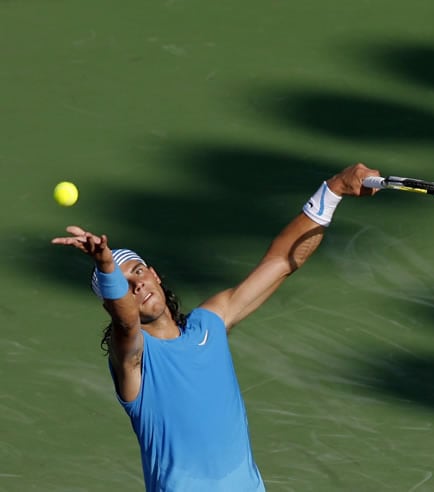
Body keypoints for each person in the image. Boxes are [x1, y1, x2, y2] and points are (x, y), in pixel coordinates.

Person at [51, 163, 380, 492]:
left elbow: (281, 262)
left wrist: (334, 189)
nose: (136, 284)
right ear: (111, 302)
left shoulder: (211, 322)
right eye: (122, 285)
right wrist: (106, 266)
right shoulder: (133, 360)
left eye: (137, 271)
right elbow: (125, 321)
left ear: (154, 274)